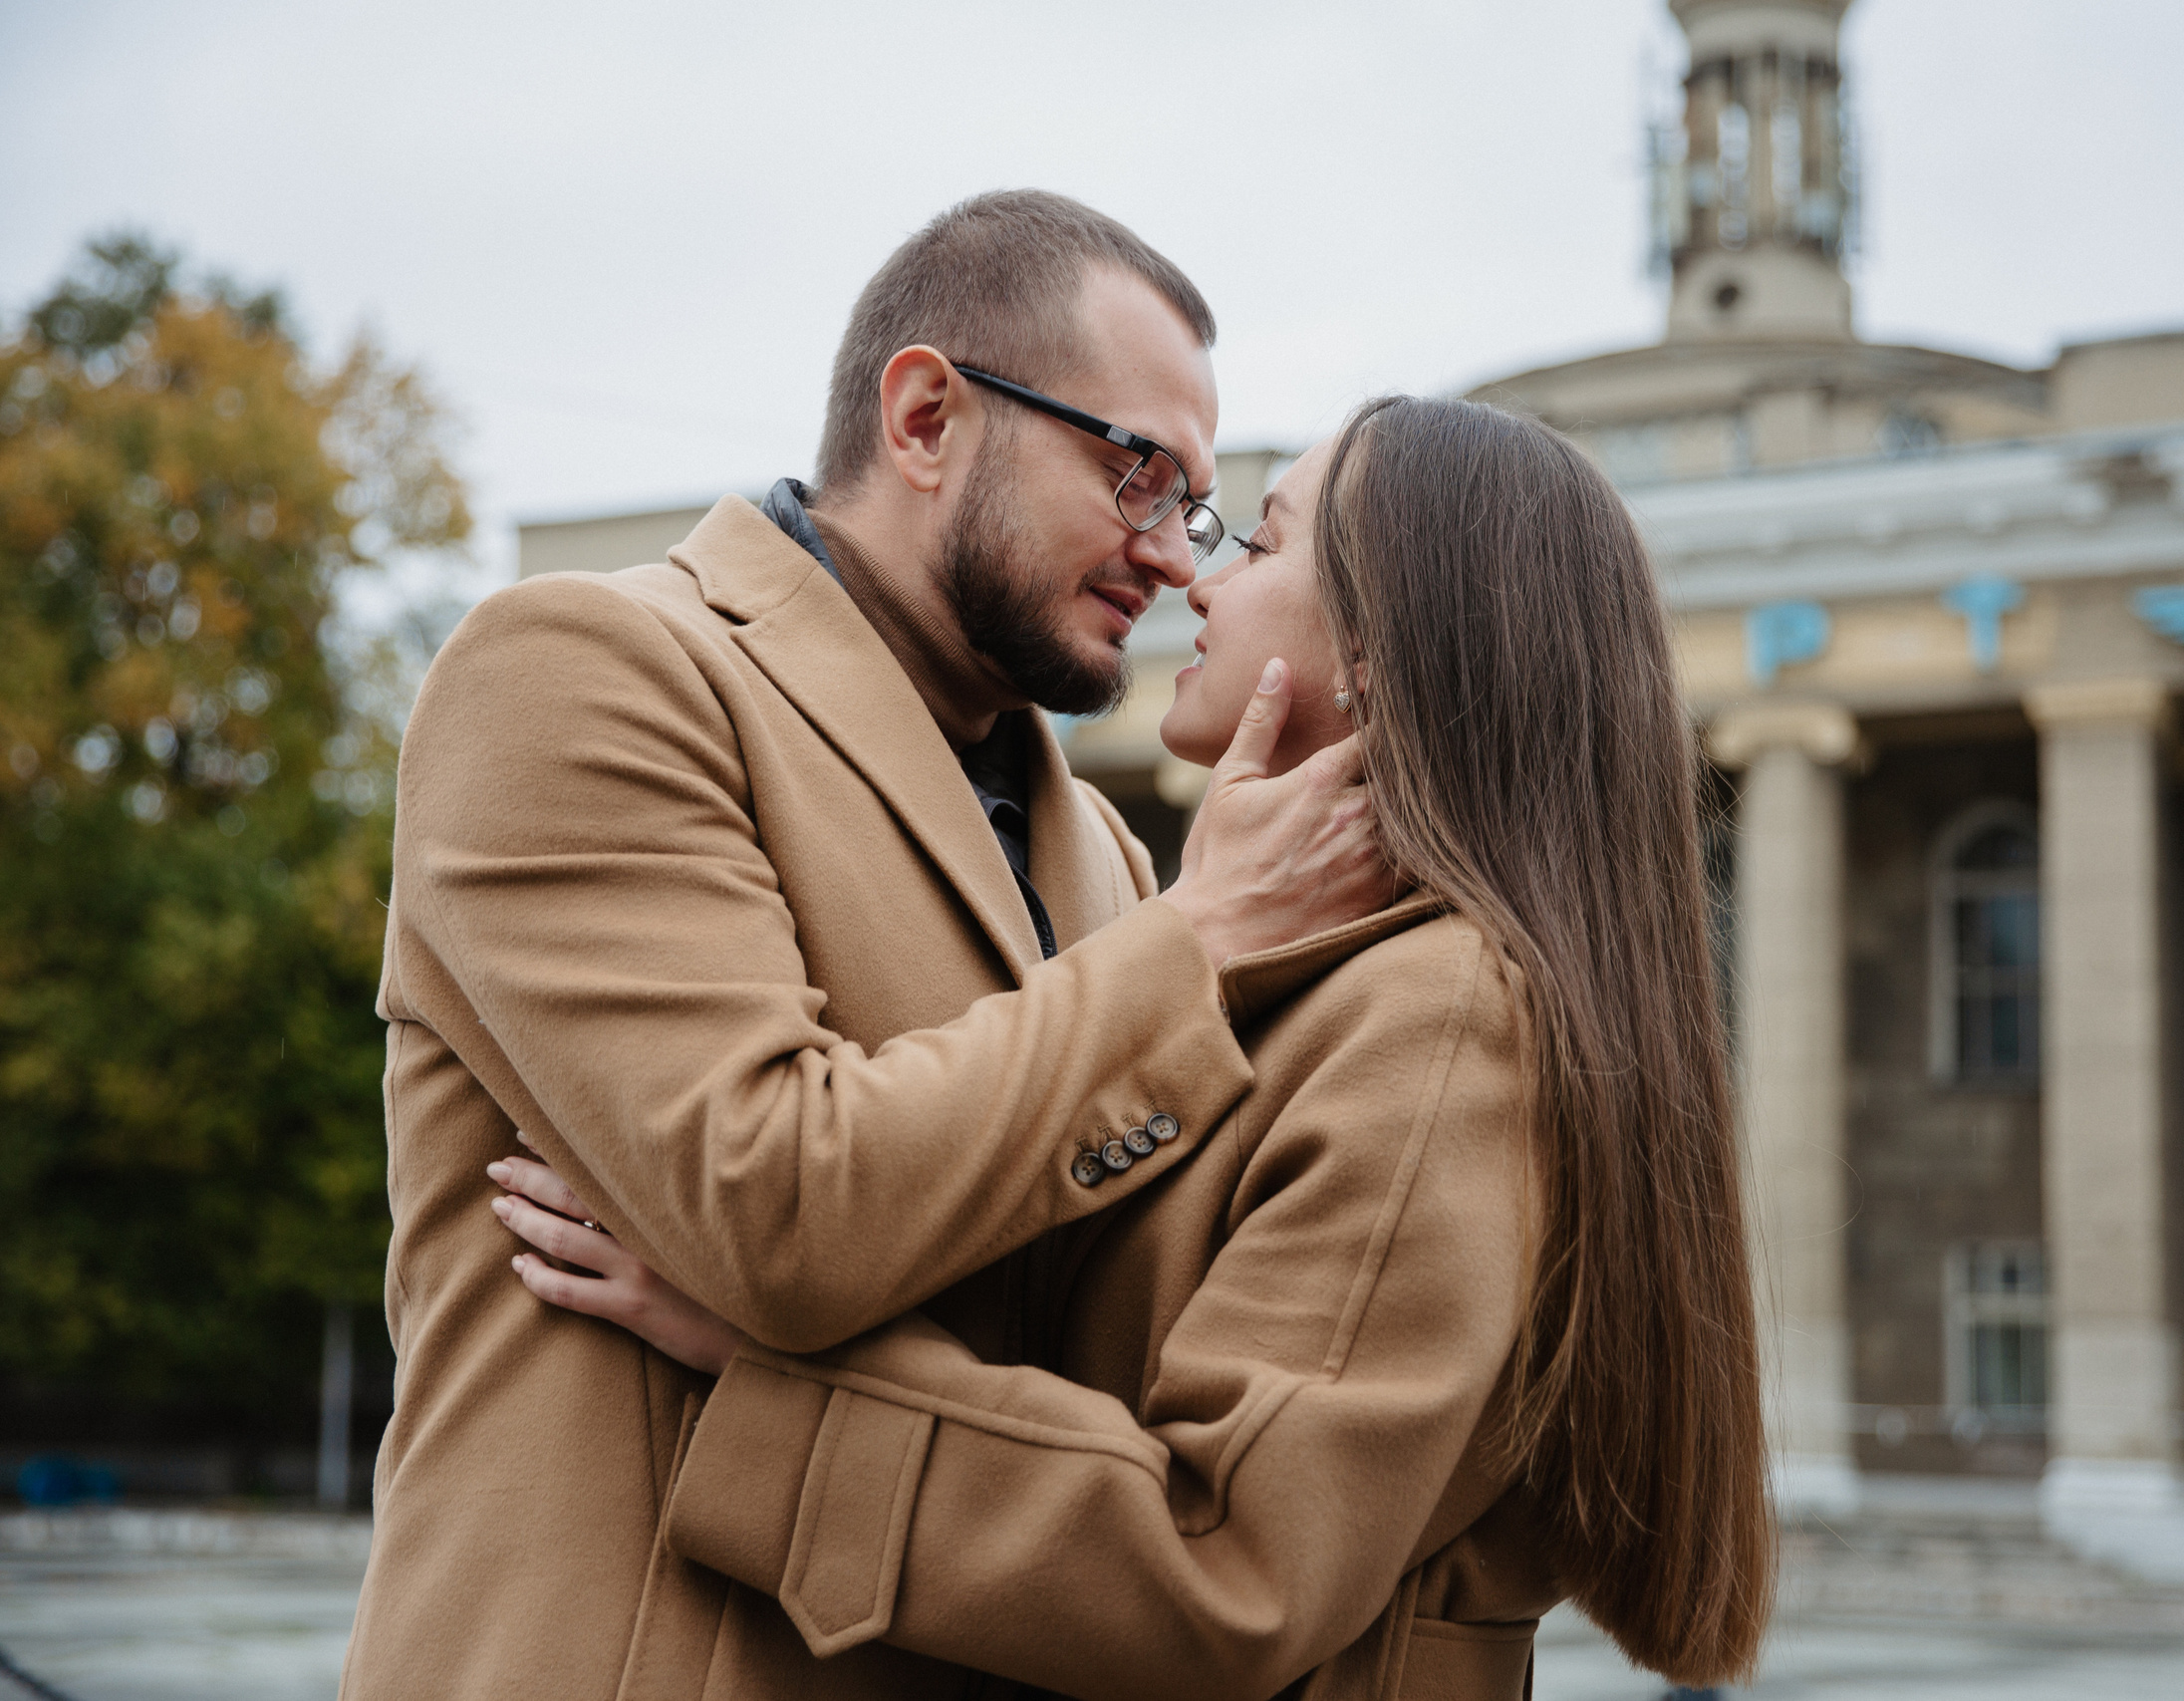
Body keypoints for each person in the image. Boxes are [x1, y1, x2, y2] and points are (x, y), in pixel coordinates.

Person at [491, 396, 1775, 1699]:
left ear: (1380, 652)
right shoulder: (1346, 985)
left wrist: (764, 1368)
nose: (1199, 586)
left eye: (1261, 547)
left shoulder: (1439, 1019)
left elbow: (1226, 1569)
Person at [338, 192, 1392, 1701]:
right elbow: (772, 1214)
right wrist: (1205, 944)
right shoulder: (584, 668)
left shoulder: (1102, 855)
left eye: (1200, 510)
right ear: (924, 418)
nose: (1173, 558)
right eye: (1138, 474)